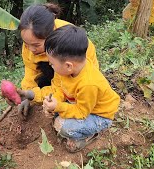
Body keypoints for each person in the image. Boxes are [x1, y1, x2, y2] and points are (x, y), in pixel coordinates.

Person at [42, 25, 120, 153]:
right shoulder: (69, 70)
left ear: (68, 66)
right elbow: (61, 88)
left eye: (52, 64)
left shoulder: (89, 84)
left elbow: (82, 112)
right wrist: (55, 100)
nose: (51, 66)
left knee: (63, 127)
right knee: (55, 113)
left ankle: (89, 134)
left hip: (99, 114)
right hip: (82, 103)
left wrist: (58, 107)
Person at [14, 3, 99, 117]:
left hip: (77, 77)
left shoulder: (71, 44)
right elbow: (31, 70)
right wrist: (27, 95)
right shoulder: (30, 44)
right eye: (26, 44)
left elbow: (83, 78)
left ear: (50, 36)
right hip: (57, 70)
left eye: (36, 45)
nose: (31, 49)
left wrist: (62, 103)